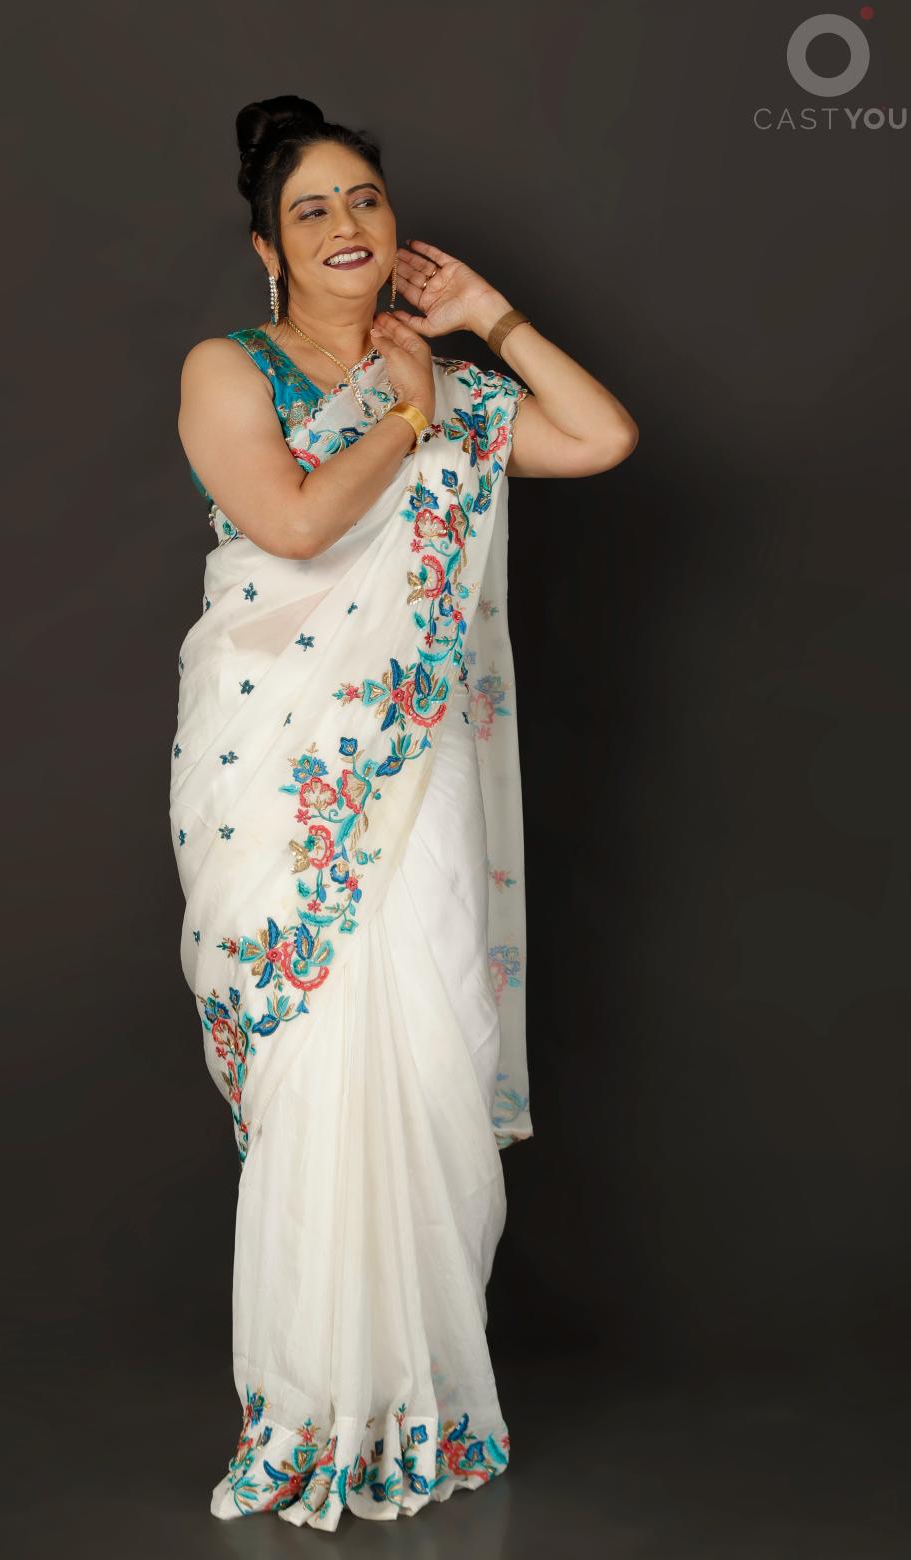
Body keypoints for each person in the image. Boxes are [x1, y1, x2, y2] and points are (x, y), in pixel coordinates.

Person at [171, 94, 638, 1532]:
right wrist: (406, 410)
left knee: (430, 1049)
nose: (344, 226)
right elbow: (296, 523)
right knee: (319, 1071)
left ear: (395, 222)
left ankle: (419, 1400)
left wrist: (487, 319)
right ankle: (312, 1406)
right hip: (282, 774)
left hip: (418, 774)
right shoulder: (232, 369)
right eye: (310, 209)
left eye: (364, 199)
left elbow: (602, 436)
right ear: (268, 247)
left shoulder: (458, 378)